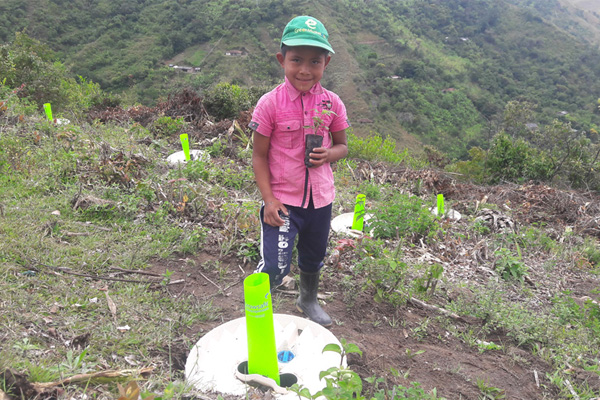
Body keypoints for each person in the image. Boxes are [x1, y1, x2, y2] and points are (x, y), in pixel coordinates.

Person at [249, 15, 350, 327]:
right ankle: (257, 310)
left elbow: (343, 146)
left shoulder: (332, 103)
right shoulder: (269, 105)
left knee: (312, 256)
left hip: (320, 201)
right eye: (296, 60)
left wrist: (327, 154)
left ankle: (307, 298)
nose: (305, 70)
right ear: (282, 60)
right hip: (284, 201)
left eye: (315, 61)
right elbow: (259, 155)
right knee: (277, 265)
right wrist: (268, 200)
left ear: (326, 63)